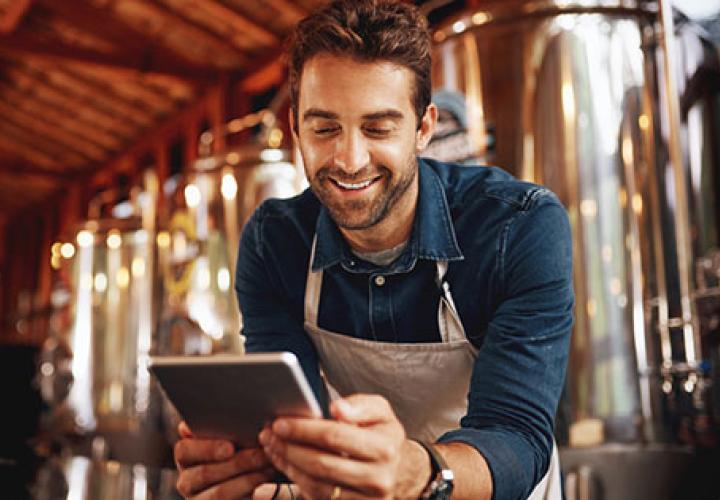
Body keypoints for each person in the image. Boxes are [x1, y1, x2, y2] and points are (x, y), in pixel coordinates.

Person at [172, 0, 573, 498]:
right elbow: (297, 423)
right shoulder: (274, 243)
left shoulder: (518, 227)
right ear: (295, 128)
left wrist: (421, 475)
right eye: (324, 129)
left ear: (423, 127)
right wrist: (245, 469)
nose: (349, 159)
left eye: (378, 128)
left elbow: (514, 435)